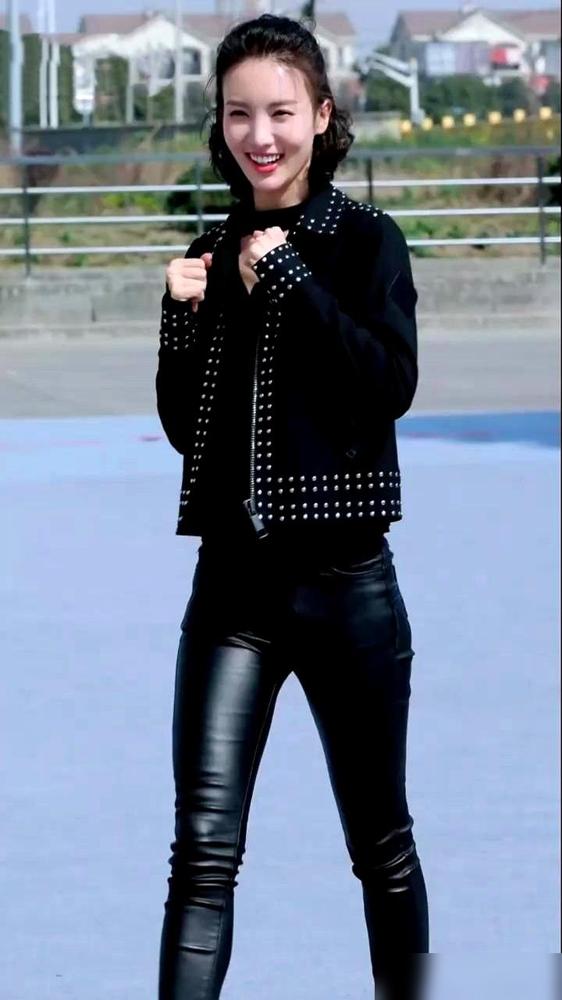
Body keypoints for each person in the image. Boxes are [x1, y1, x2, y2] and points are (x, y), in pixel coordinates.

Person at [155, 13, 429, 1000]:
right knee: (201, 853)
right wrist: (181, 318)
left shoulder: (366, 242)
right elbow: (190, 432)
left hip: (348, 590)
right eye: (238, 114)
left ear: (320, 115)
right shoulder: (210, 248)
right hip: (232, 594)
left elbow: (387, 383)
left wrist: (291, 278)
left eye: (279, 112)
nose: (258, 135)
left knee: (381, 845)